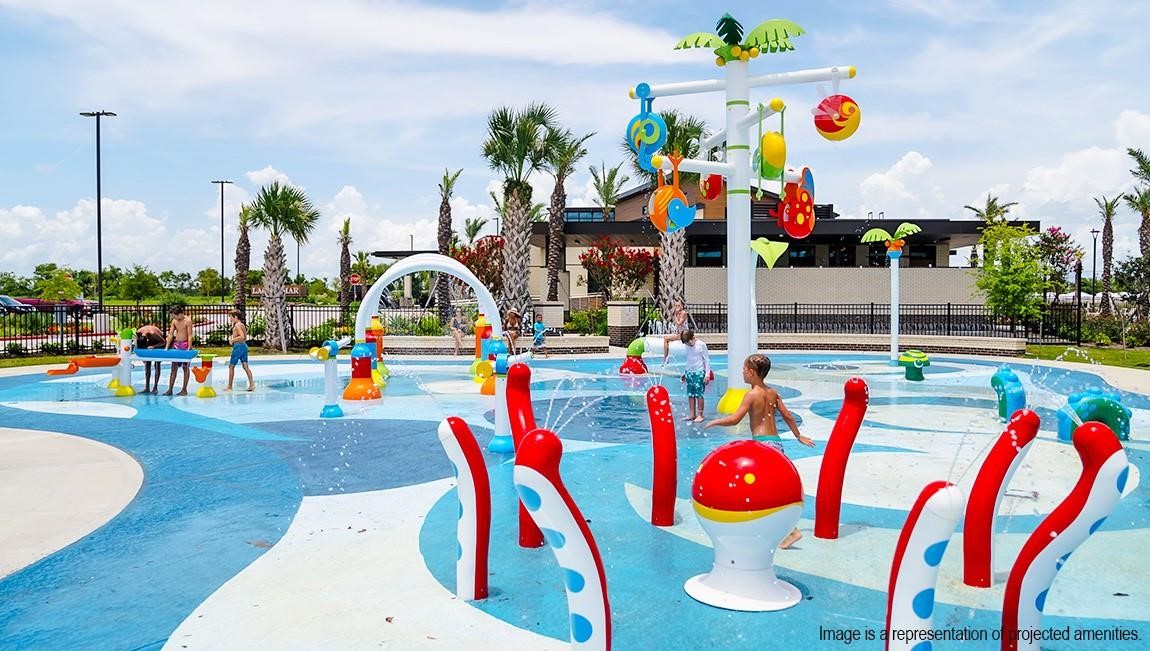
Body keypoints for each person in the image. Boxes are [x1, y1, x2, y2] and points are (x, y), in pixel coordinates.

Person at [704, 353, 815, 549]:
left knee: (765, 488)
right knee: (776, 487)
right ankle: (783, 527)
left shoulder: (752, 395)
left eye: (744, 369)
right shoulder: (772, 392)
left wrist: (714, 421)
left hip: (763, 445)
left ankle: (791, 530)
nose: (742, 372)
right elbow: (788, 416)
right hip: (777, 444)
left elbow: (735, 419)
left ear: (752, 373)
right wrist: (798, 436)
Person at [679, 329, 711, 423]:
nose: (688, 345)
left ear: (693, 337)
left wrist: (707, 374)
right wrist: (685, 373)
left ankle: (700, 414)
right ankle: (692, 414)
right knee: (690, 394)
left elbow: (707, 360)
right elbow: (689, 359)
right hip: (689, 372)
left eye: (689, 342)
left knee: (699, 394)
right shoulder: (687, 346)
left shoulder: (701, 345)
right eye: (686, 343)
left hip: (699, 372)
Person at [163, 306, 193, 396]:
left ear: (180, 314)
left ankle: (184, 390)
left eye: (174, 316)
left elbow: (190, 335)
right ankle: (170, 389)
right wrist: (167, 347)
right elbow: (171, 334)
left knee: (185, 368)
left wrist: (189, 347)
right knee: (173, 368)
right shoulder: (174, 321)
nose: (174, 318)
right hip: (176, 345)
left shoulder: (187, 321)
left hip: (185, 345)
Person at [225, 309, 255, 392]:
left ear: (235, 317)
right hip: (244, 346)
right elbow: (244, 337)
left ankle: (230, 386)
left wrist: (232, 340)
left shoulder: (237, 326)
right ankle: (252, 384)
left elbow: (242, 337)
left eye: (231, 317)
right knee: (245, 366)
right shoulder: (242, 325)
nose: (230, 319)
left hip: (238, 347)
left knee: (231, 366)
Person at [135, 322, 165, 394]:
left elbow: (164, 342)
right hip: (148, 343)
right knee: (147, 364)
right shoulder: (138, 332)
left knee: (157, 364)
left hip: (159, 343)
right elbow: (138, 345)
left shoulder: (153, 333)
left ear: (147, 339)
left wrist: (154, 346)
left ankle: (155, 387)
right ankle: (147, 388)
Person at [663, 298, 689, 365]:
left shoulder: (683, 313)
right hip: (680, 334)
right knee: (667, 338)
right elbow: (677, 326)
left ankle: (665, 359)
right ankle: (666, 358)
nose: (677, 307)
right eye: (676, 306)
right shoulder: (678, 313)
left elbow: (679, 323)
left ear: (682, 306)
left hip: (684, 334)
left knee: (666, 339)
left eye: (679, 305)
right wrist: (676, 332)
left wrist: (675, 315)